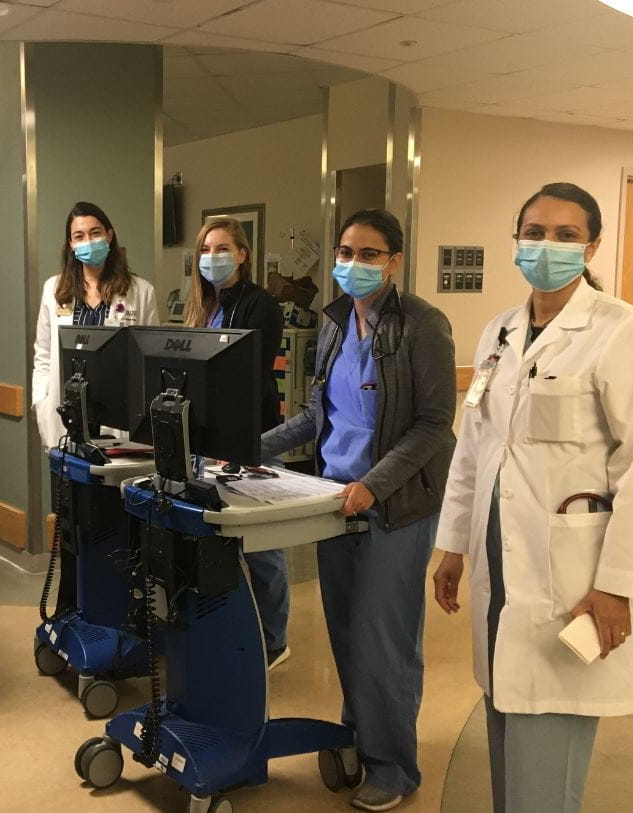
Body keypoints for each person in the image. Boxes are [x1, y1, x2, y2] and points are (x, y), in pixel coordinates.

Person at [432, 183, 633, 813]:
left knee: (545, 758)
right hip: (499, 558)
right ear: (516, 240)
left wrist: (616, 586)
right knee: (504, 717)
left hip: (570, 574)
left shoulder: (621, 329)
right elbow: (474, 448)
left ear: (591, 246)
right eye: (534, 233)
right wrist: (453, 545)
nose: (546, 246)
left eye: (565, 235)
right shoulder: (499, 332)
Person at [262, 209, 456, 811]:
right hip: (334, 500)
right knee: (346, 632)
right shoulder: (336, 323)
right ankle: (360, 738)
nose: (353, 264)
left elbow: (433, 424)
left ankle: (393, 767)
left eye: (369, 254)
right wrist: (248, 446)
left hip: (394, 505)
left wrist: (375, 483)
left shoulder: (422, 324)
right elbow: (317, 415)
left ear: (394, 261)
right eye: (346, 252)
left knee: (384, 639)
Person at [183, 217, 292, 671]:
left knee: (263, 546)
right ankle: (227, 630)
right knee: (217, 539)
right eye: (206, 250)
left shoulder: (261, 305)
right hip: (207, 437)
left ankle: (273, 640)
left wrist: (227, 439)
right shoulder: (201, 306)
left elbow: (247, 377)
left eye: (222, 248)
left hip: (253, 436)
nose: (213, 257)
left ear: (243, 254)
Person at [31, 200, 159, 451]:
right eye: (79, 236)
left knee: (112, 474)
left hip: (117, 416)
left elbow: (150, 361)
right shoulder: (54, 289)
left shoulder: (141, 292)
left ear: (109, 235)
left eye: (95, 233)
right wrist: (41, 401)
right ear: (71, 244)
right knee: (67, 473)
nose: (88, 241)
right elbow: (43, 354)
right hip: (66, 413)